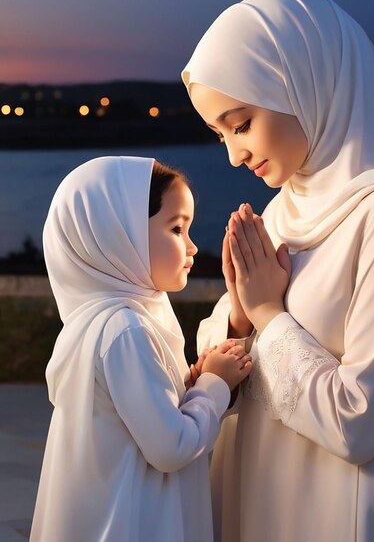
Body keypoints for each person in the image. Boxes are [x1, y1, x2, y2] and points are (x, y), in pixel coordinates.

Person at [182, 0, 374, 542]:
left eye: (240, 124)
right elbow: (222, 360)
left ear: (303, 82)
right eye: (220, 135)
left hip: (346, 511)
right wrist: (239, 319)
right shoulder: (284, 209)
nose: (233, 156)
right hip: (261, 500)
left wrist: (268, 313)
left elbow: (361, 420)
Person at [30, 156, 252, 542]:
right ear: (119, 235)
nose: (192, 246)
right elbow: (170, 446)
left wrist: (191, 386)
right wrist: (212, 385)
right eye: (177, 228)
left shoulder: (105, 323)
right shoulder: (124, 330)